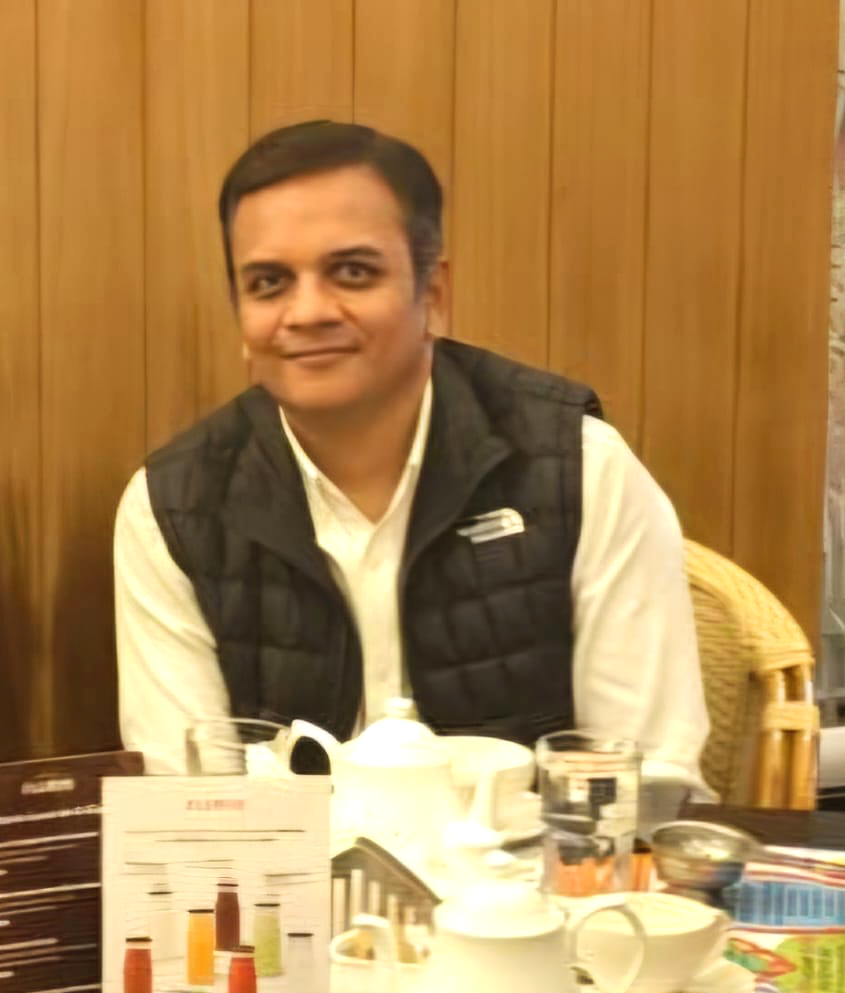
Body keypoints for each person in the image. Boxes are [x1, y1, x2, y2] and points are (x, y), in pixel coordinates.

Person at [113, 121, 709, 785]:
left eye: (352, 272)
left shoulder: (579, 468)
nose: (307, 312)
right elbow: (189, 805)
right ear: (243, 322)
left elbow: (645, 779)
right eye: (269, 283)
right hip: (281, 859)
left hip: (535, 855)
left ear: (434, 295)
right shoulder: (171, 509)